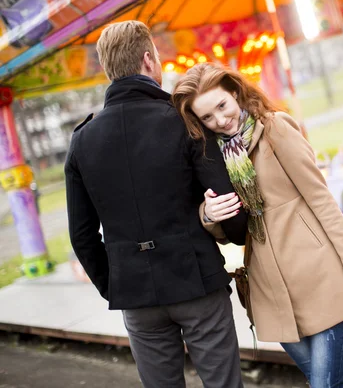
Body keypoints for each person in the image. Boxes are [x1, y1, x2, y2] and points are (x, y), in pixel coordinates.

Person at [172, 63, 343, 388]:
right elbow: (229, 230)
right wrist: (208, 213)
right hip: (271, 290)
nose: (219, 120)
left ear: (235, 92)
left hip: (320, 276)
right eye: (207, 117)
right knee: (323, 381)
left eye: (222, 106)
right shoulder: (214, 157)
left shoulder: (276, 128)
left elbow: (320, 197)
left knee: (325, 384)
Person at [64, 21, 248, 388]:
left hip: (134, 294)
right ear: (149, 60)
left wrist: (117, 285)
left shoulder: (81, 142)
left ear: (108, 69)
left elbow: (82, 237)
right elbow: (228, 204)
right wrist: (234, 236)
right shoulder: (182, 122)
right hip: (198, 283)